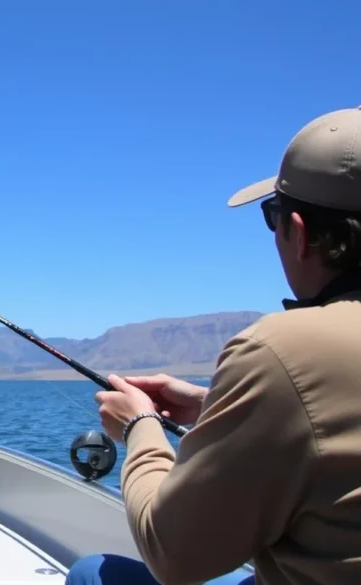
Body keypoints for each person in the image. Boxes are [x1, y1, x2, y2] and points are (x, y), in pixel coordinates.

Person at [66, 105, 361, 585]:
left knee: (91, 574)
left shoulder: (285, 350)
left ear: (302, 234)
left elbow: (174, 556)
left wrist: (139, 426)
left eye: (274, 215)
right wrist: (214, 407)